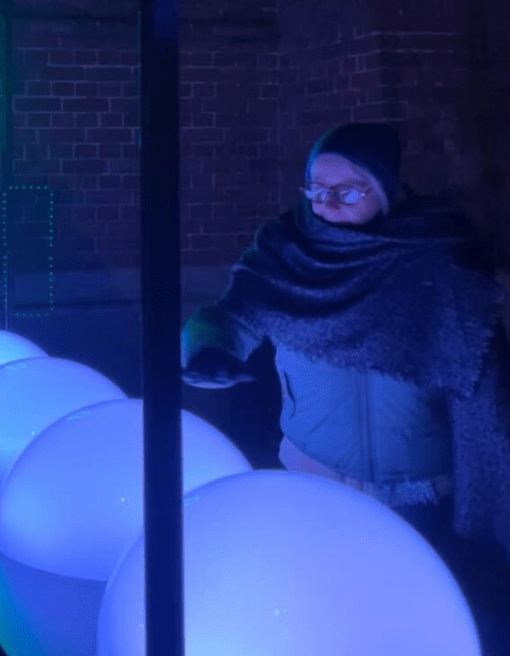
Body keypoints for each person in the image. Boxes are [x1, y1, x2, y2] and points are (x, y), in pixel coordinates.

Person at [181, 122, 510, 650]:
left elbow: (481, 370)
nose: (326, 201)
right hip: (314, 488)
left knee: (409, 629)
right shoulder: (288, 249)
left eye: (347, 190)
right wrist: (209, 346)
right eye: (315, 187)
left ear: (385, 190)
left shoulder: (438, 254)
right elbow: (234, 314)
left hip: (419, 499)